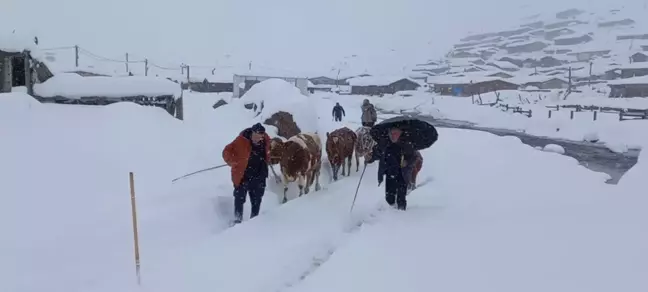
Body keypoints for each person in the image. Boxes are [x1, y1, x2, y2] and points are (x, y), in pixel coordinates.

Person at [222, 123, 271, 224]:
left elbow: (269, 151)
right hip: (243, 176)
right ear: (252, 133)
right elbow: (226, 151)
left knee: (257, 200)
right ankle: (237, 220)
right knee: (239, 199)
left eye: (261, 136)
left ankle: (254, 221)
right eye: (256, 136)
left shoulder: (266, 140)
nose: (258, 138)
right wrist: (232, 161)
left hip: (259, 176)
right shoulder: (241, 140)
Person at [367, 127, 416, 210]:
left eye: (396, 134)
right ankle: (389, 213)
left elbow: (413, 157)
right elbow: (376, 153)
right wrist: (369, 158)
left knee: (401, 197)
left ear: (400, 133)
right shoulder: (384, 142)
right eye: (391, 134)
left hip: (402, 174)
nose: (393, 136)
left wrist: (407, 162)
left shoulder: (407, 144)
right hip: (390, 172)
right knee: (389, 197)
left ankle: (401, 214)